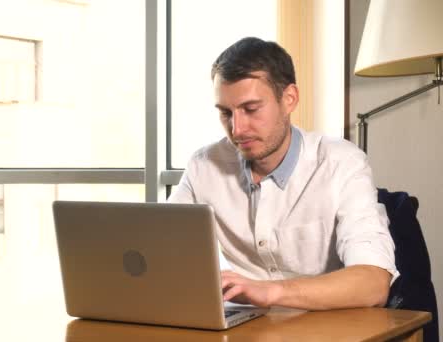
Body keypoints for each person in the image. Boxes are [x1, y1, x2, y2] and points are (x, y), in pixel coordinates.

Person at [168, 37, 398, 310]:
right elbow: (161, 248)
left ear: (289, 99)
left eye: (251, 109)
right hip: (247, 328)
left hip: (327, 329)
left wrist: (269, 292)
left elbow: (372, 284)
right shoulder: (204, 166)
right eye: (225, 113)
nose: (237, 129)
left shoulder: (341, 163)